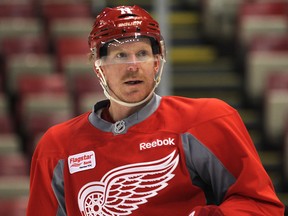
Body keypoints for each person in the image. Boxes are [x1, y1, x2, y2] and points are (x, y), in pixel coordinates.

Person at [27, 5, 285, 216]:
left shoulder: (205, 121)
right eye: (120, 56)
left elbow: (263, 207)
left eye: (142, 53)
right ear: (99, 66)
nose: (133, 66)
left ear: (156, 63)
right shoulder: (57, 148)